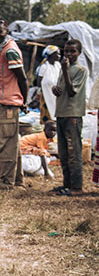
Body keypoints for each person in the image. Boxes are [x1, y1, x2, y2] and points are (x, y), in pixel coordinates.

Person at [0, 19, 27, 187]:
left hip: (9, 101)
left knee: (5, 142)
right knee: (12, 142)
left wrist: (24, 100)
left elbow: (22, 77)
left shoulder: (9, 50)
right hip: (4, 100)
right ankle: (16, 179)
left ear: (6, 31)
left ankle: (6, 181)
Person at [52, 39, 87, 196]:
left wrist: (65, 71)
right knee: (64, 152)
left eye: (72, 51)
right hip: (61, 112)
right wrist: (55, 89)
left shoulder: (80, 70)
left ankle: (77, 186)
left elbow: (73, 92)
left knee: (74, 151)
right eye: (66, 51)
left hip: (73, 114)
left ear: (79, 53)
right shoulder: (63, 68)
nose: (68, 54)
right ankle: (67, 184)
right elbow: (64, 89)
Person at [36, 46, 60, 123]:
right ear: (51, 55)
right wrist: (38, 92)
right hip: (46, 93)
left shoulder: (58, 65)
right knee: (46, 110)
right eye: (57, 54)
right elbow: (39, 81)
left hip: (56, 93)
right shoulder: (44, 67)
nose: (59, 56)